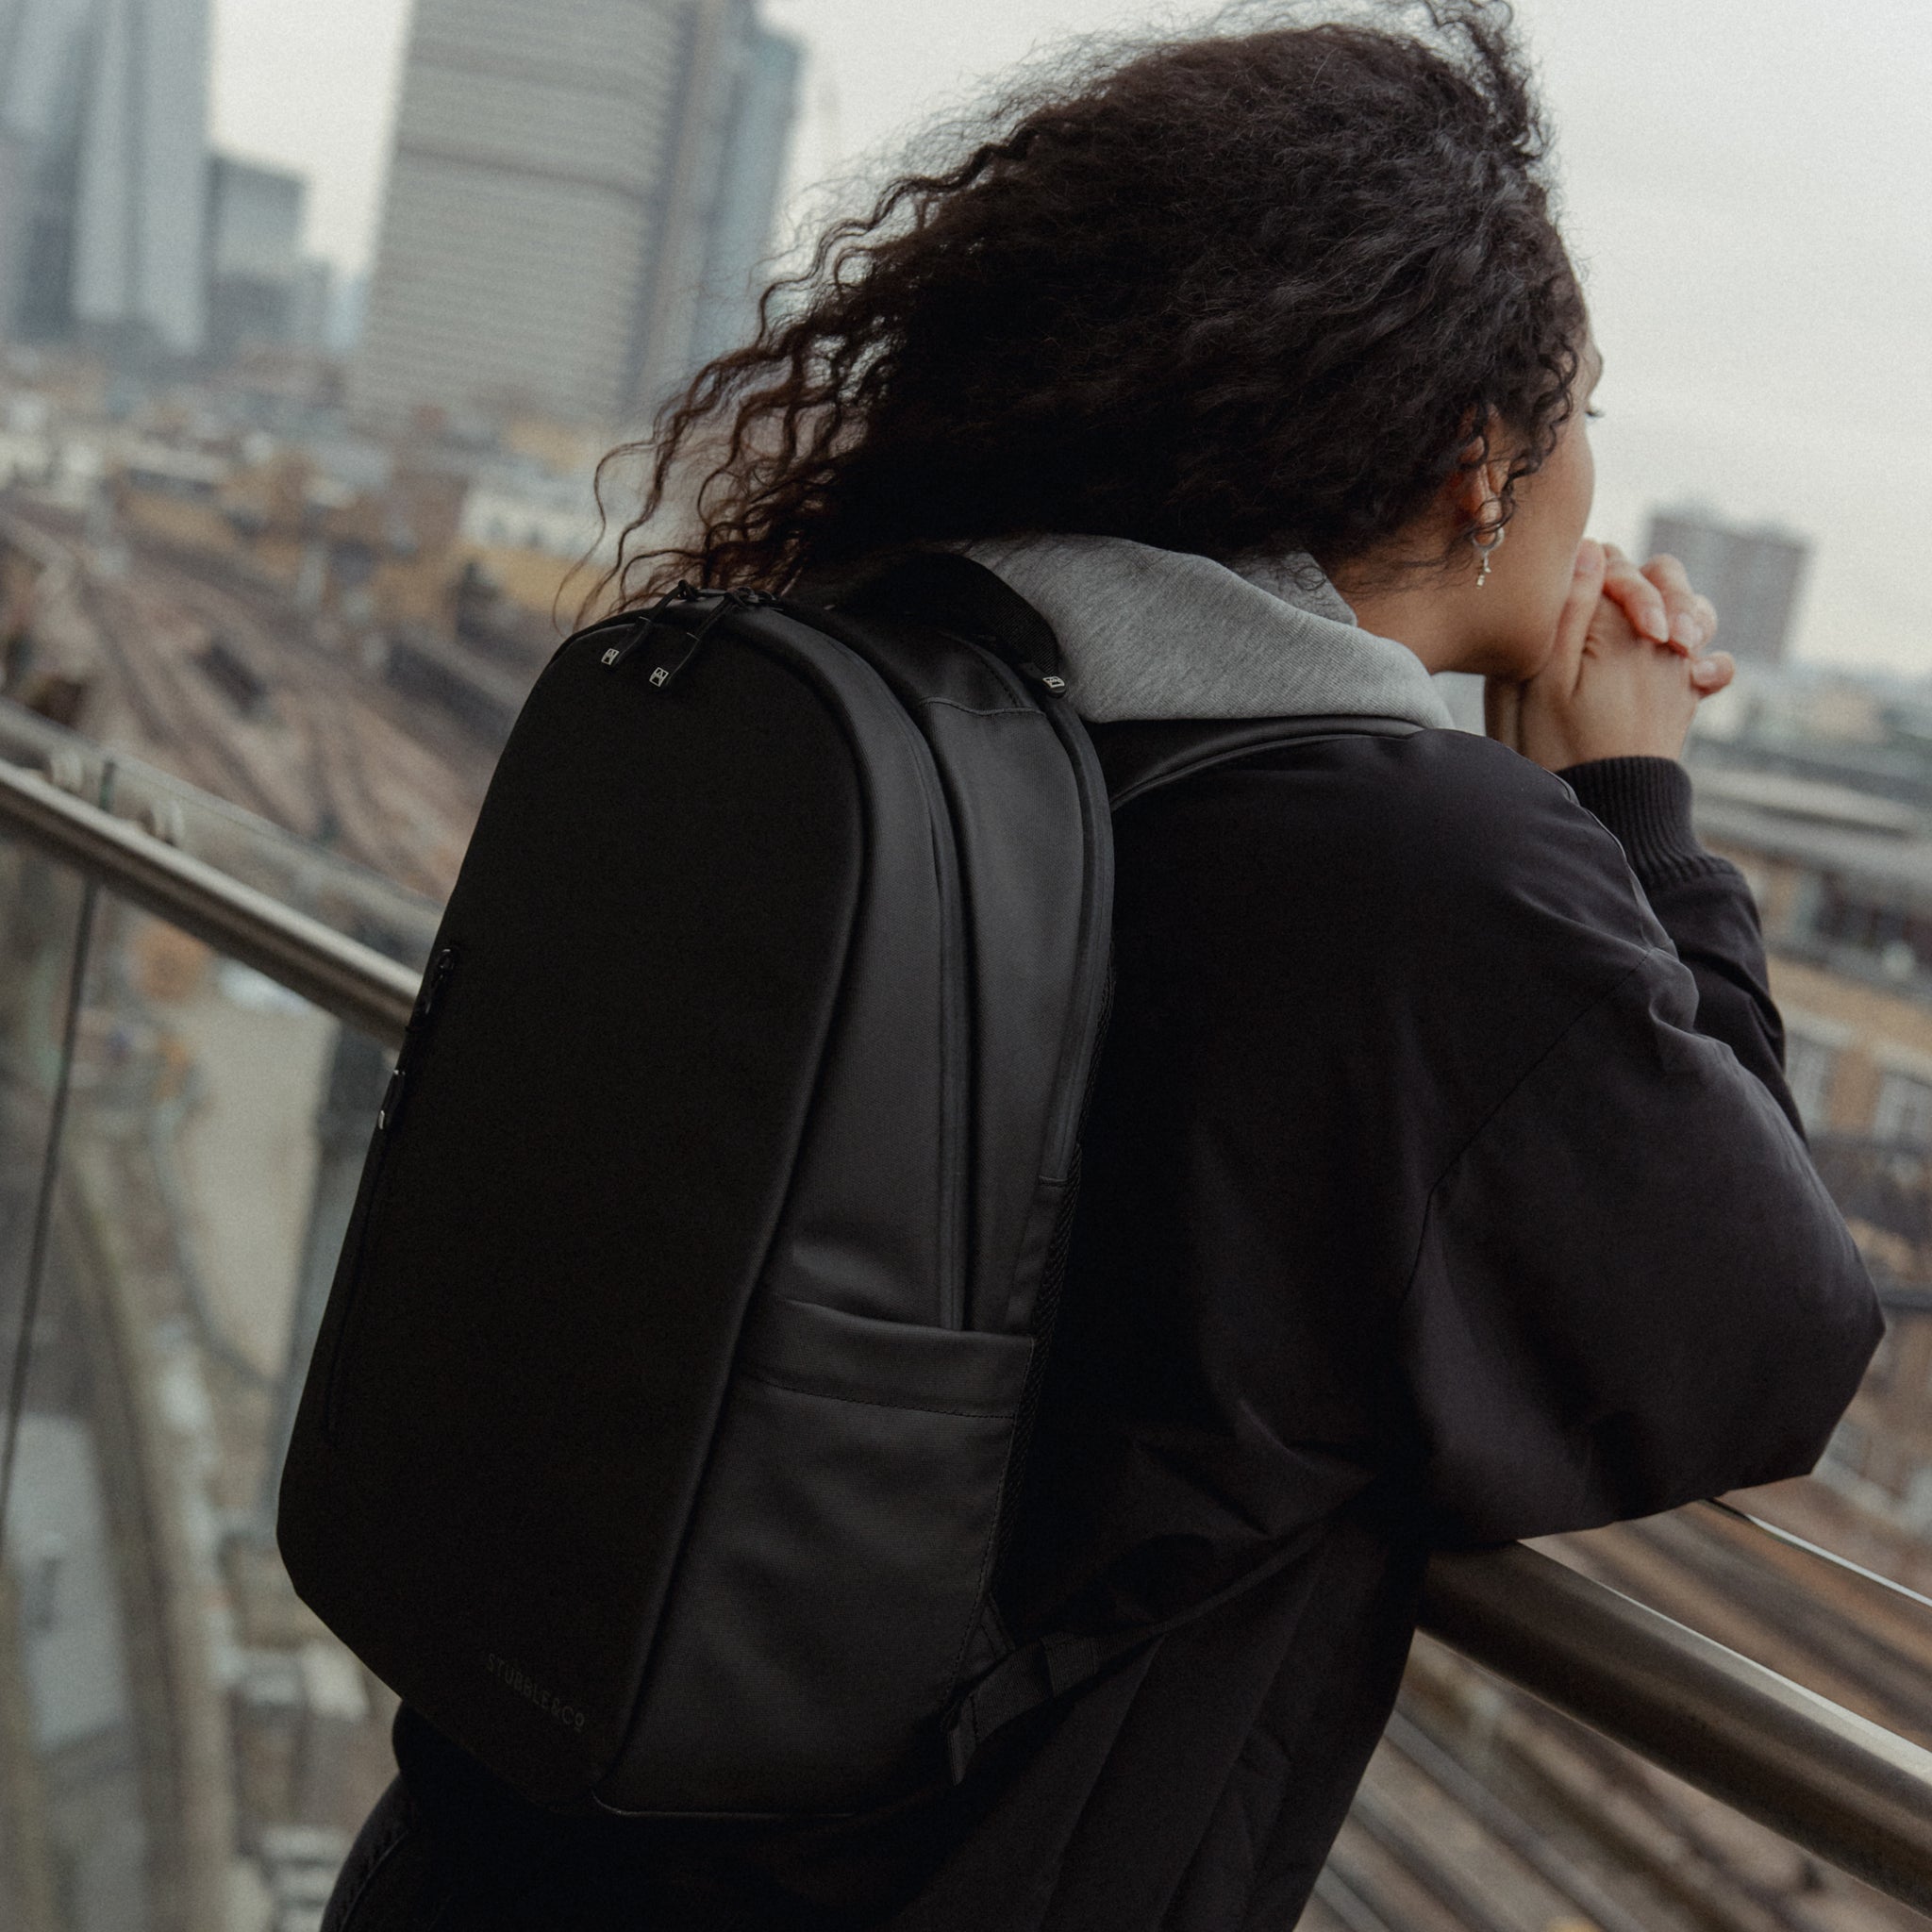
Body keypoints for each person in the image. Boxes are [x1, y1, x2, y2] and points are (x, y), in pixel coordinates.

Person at [323, 4, 1881, 1926]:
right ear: (1478, 465)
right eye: (1576, 414)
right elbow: (1758, 1341)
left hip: (486, 1845)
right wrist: (1632, 800)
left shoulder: (874, 670)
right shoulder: (1416, 871)